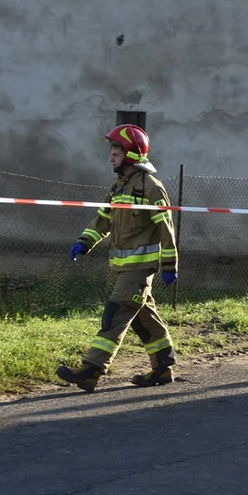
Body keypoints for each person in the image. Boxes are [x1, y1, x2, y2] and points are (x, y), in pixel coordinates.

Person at [56, 124, 180, 392]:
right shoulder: (117, 188)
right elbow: (103, 219)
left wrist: (170, 265)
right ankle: (163, 367)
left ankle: (91, 370)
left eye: (117, 151)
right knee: (143, 316)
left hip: (140, 269)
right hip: (124, 269)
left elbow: (166, 229)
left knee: (115, 315)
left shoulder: (151, 188)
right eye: (112, 150)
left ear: (133, 154)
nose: (111, 156)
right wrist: (84, 241)